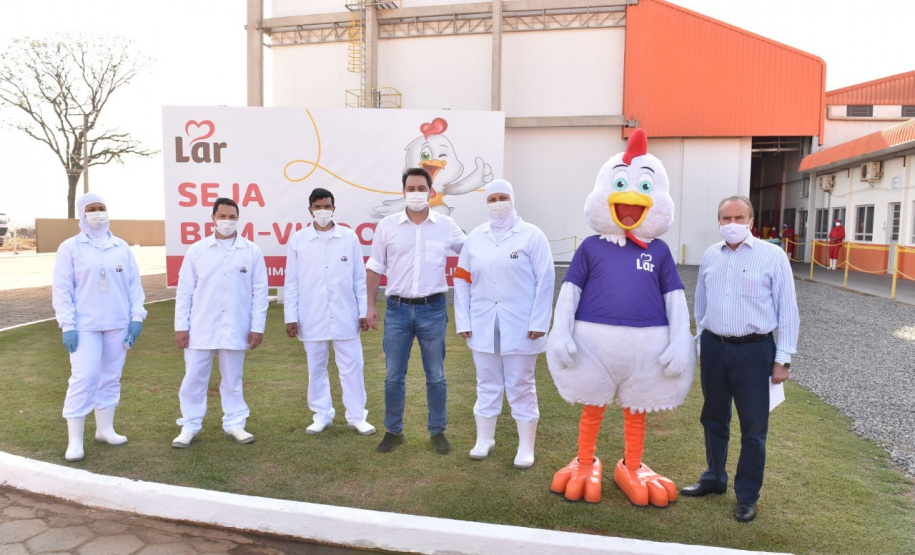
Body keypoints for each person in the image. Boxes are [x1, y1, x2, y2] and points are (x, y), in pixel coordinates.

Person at [685, 195, 800, 523]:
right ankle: (714, 478)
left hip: (754, 351)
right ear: (718, 221)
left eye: (738, 217)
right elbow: (701, 305)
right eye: (725, 218)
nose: (731, 224)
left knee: (753, 429)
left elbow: (787, 310)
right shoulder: (710, 256)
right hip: (715, 347)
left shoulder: (773, 256)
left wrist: (783, 360)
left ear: (751, 221)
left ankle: (747, 495)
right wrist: (701, 347)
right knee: (713, 418)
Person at [453, 179, 554, 468]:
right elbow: (461, 279)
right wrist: (464, 319)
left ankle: (525, 446)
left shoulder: (532, 236)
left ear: (512, 199)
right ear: (486, 203)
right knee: (486, 382)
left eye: (502, 197)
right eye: (492, 198)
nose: (498, 203)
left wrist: (539, 321)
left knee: (521, 384)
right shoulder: (475, 237)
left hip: (523, 325)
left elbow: (546, 281)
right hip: (483, 323)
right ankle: (484, 439)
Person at [365, 167, 466, 455]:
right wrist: (371, 305)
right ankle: (393, 431)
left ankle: (437, 431)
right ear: (403, 191)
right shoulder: (387, 226)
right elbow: (374, 267)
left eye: (421, 188)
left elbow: (471, 251)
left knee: (436, 375)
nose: (416, 193)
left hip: (433, 309)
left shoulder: (446, 225)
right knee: (393, 375)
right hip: (397, 311)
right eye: (411, 188)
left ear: (430, 191)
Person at [52, 192, 147, 462]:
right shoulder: (70, 247)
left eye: (101, 208)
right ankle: (75, 441)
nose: (97, 213)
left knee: (110, 376)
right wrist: (67, 324)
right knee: (85, 377)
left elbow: (134, 286)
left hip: (117, 324)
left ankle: (105, 430)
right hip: (84, 326)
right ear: (82, 214)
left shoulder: (121, 247)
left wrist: (136, 318)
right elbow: (62, 289)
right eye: (91, 209)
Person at [173, 197, 268, 448]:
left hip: (237, 326)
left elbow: (260, 293)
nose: (227, 221)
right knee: (193, 377)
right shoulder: (197, 250)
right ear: (212, 218)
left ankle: (235, 423)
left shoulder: (251, 251)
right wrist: (181, 326)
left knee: (233, 379)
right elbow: (185, 292)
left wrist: (257, 327)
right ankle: (190, 425)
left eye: (232, 216)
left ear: (239, 219)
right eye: (222, 216)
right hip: (200, 327)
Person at [284, 188, 375, 436]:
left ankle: (357, 416)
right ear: (310, 209)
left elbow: (359, 277)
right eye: (317, 207)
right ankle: (322, 414)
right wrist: (290, 317)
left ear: (334, 207)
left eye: (327, 206)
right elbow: (291, 282)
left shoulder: (349, 237)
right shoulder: (299, 240)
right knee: (316, 367)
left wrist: (362, 311)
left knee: (353, 366)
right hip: (311, 315)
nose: (322, 211)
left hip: (346, 315)